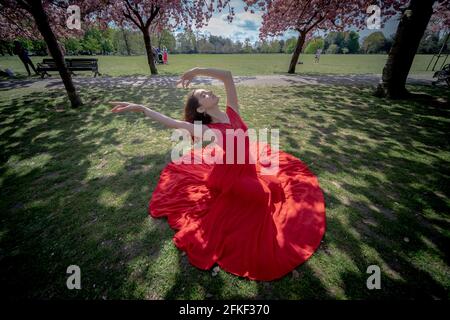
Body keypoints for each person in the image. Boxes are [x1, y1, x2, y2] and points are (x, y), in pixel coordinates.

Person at [109, 67, 326, 281]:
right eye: (202, 95)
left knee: (274, 186)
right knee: (263, 198)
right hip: (231, 177)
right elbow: (174, 123)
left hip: (248, 169)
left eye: (205, 90)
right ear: (202, 110)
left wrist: (196, 70)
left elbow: (228, 76)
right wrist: (141, 108)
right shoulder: (207, 129)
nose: (208, 92)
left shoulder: (233, 111)